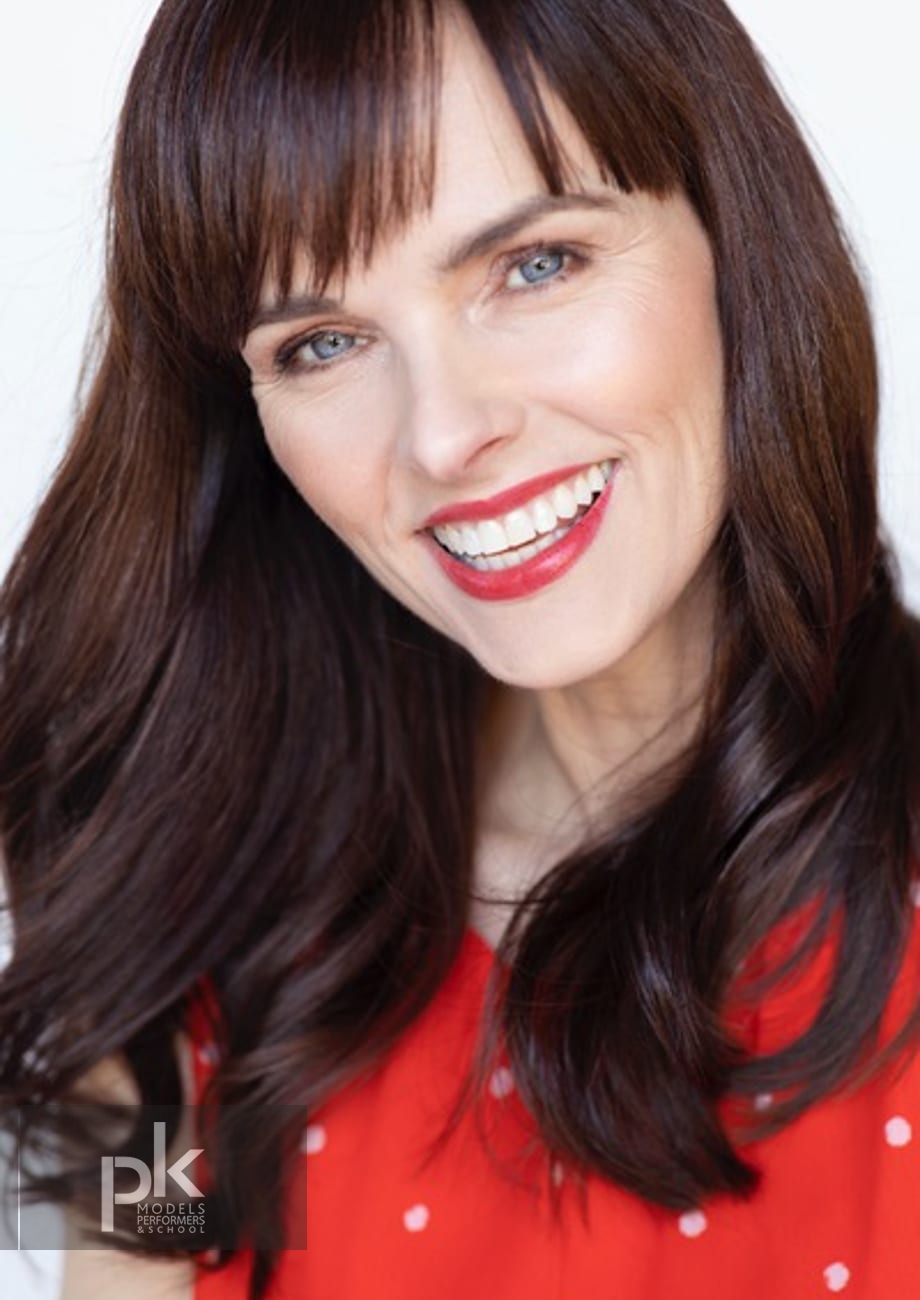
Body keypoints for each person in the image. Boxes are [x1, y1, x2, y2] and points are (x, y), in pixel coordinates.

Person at [1, 0, 918, 1297]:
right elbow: (119, 1272)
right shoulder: (174, 908)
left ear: (734, 234)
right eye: (323, 343)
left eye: (535, 265)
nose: (442, 434)